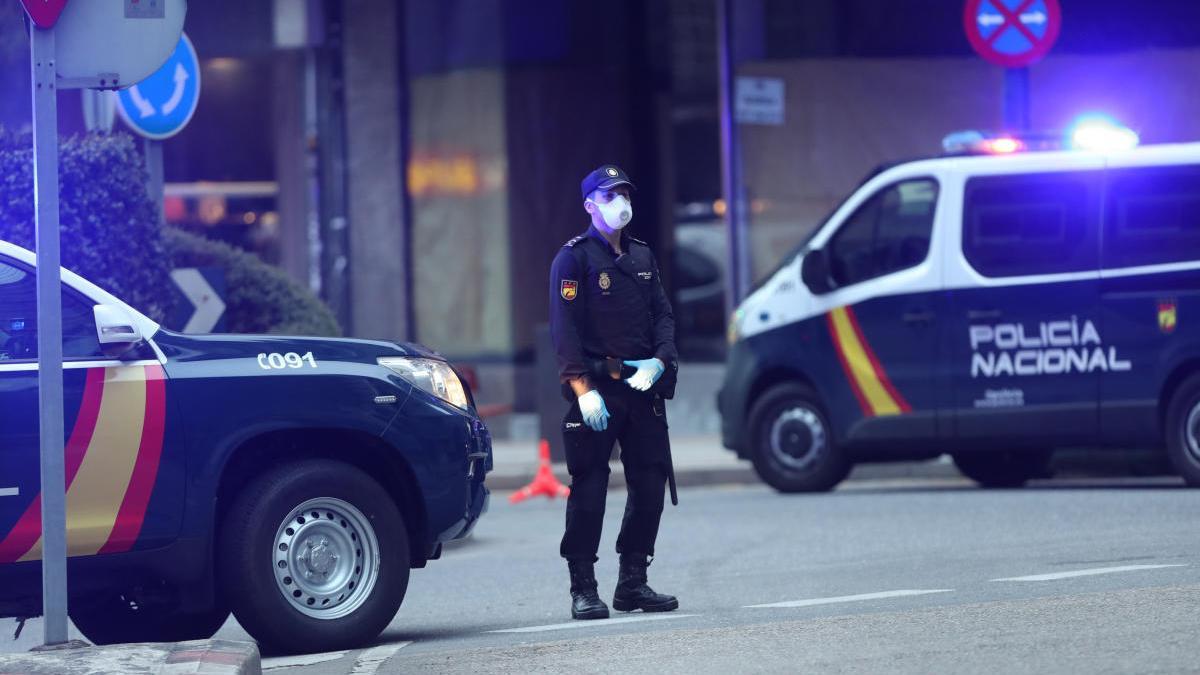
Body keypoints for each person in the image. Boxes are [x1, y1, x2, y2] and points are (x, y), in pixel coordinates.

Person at [548, 164, 680, 620]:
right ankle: (583, 587)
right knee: (590, 486)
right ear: (590, 205)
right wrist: (583, 390)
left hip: (641, 388)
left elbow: (663, 316)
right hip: (598, 388)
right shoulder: (575, 258)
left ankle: (632, 583)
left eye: (624, 192)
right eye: (610, 195)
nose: (620, 202)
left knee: (650, 482)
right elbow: (564, 333)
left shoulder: (642, 257)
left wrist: (660, 362)